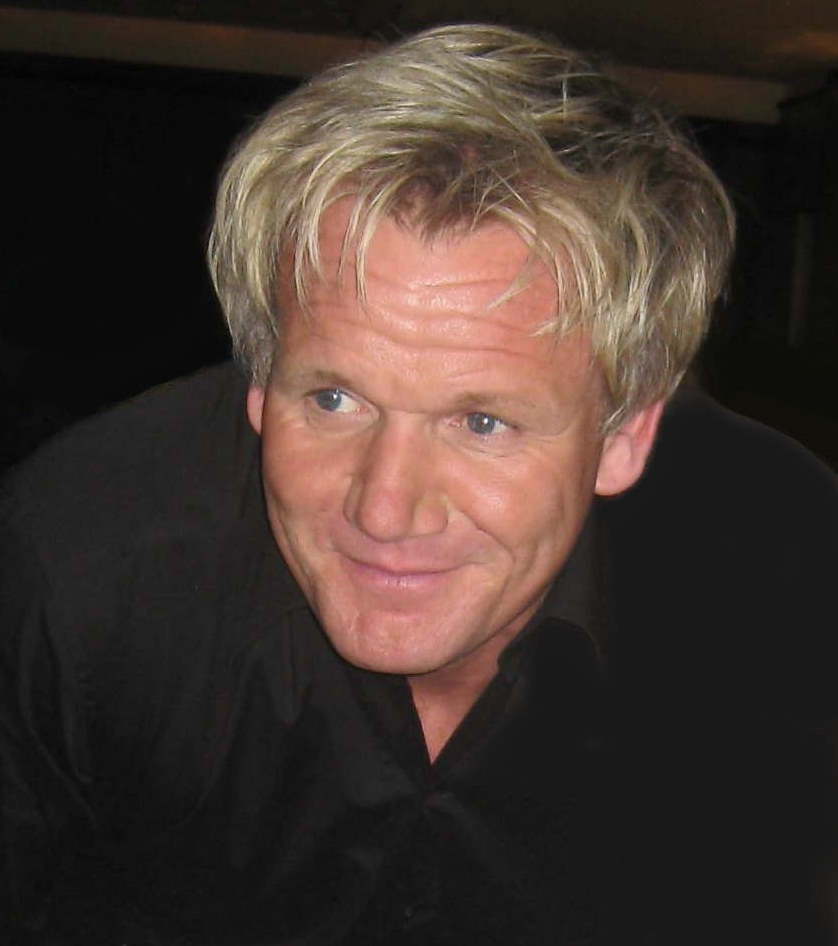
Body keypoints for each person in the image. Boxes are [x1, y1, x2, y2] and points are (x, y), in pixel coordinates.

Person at [2, 23, 836, 946]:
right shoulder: (80, 572)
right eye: (334, 399)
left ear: (623, 435)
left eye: (481, 423)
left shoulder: (787, 603)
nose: (384, 508)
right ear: (261, 382)